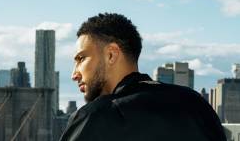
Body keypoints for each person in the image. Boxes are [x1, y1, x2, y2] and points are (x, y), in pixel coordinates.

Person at [60, 13, 226, 141]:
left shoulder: (96, 116)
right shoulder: (196, 104)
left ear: (111, 55)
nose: (75, 74)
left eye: (81, 58)